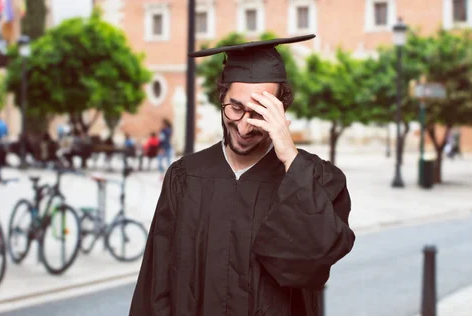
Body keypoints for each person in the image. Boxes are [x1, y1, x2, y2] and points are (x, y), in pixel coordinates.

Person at [129, 34, 355, 315]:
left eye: (259, 113)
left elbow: (315, 262)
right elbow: (156, 285)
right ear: (221, 97)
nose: (245, 127)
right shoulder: (185, 178)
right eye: (236, 108)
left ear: (280, 109)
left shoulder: (316, 178)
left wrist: (289, 156)